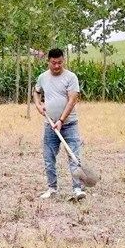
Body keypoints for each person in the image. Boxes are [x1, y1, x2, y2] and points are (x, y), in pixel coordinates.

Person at [33, 48, 86, 201]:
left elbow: (72, 100)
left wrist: (61, 120)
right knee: (49, 158)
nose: (57, 66)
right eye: (53, 63)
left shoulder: (71, 77)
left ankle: (77, 189)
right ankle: (52, 188)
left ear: (64, 61)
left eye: (60, 63)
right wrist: (38, 105)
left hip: (69, 124)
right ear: (48, 62)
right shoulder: (42, 77)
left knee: (74, 157)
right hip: (50, 125)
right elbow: (36, 91)